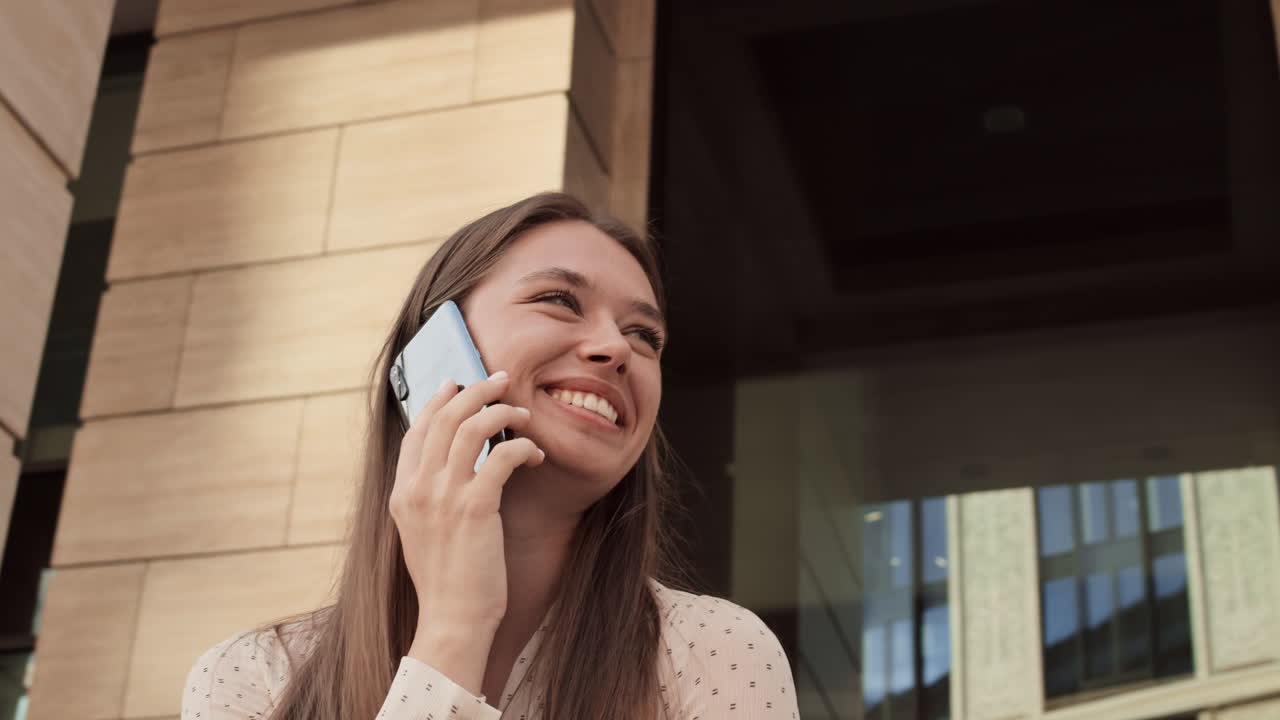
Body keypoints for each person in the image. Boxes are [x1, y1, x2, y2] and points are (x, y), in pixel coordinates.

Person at [179, 193, 800, 719]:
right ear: (430, 356)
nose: (616, 347)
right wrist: (454, 628)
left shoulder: (717, 650)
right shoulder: (254, 678)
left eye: (645, 335)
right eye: (559, 299)